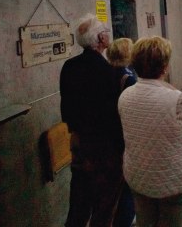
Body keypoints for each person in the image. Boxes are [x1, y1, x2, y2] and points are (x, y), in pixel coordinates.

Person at [118, 36, 182, 227]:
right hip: (172, 181)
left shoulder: (125, 96)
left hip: (139, 177)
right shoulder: (177, 99)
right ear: (164, 67)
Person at [60, 14, 125, 227]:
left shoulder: (69, 67)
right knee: (104, 210)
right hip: (105, 150)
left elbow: (67, 109)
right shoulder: (108, 72)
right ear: (99, 39)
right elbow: (114, 115)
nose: (108, 33)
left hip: (79, 143)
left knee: (78, 205)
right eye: (105, 30)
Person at [106, 38, 138, 227]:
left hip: (106, 135)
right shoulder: (128, 78)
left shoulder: (104, 74)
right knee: (127, 182)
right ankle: (124, 220)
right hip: (122, 136)